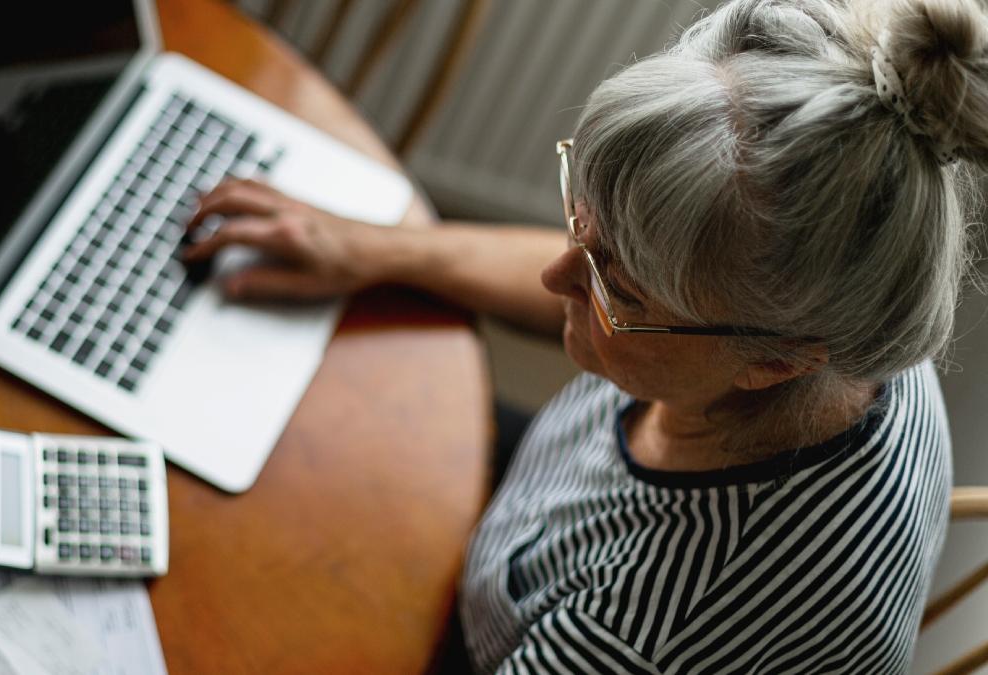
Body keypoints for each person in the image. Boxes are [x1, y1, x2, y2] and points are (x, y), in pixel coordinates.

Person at [182, 0, 985, 671]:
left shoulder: (652, 631)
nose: (555, 274)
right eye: (584, 227)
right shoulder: (852, 286)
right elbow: (621, 277)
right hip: (536, 511)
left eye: (614, 284)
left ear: (772, 361)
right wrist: (370, 249)